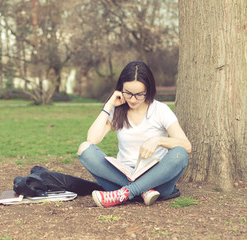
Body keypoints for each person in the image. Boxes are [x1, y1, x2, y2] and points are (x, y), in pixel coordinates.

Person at [77, 61, 192, 208]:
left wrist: (158, 140)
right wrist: (108, 105)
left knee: (179, 153)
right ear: (121, 89)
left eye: (139, 95)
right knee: (85, 149)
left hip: (157, 182)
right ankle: (140, 191)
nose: (132, 99)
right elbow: (92, 139)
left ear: (148, 90)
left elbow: (186, 146)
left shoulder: (160, 110)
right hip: (122, 176)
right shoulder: (118, 110)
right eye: (128, 93)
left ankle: (125, 193)